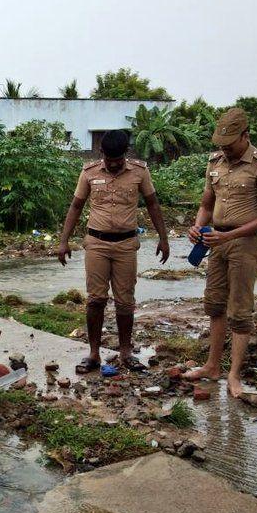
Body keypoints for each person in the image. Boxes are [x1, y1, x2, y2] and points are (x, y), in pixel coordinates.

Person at [184, 107, 257, 397]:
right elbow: (205, 204)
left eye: (230, 144)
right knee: (214, 303)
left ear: (245, 136)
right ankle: (212, 366)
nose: (224, 149)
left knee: (239, 309)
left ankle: (234, 375)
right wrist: (197, 227)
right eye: (221, 145)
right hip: (215, 240)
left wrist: (230, 235)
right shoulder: (215, 163)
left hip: (245, 242)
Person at [57, 129, 170, 373]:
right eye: (110, 160)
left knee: (125, 302)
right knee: (96, 300)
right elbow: (76, 206)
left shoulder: (140, 172)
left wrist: (163, 238)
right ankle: (94, 353)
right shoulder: (89, 173)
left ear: (125, 154)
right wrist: (63, 241)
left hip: (126, 245)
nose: (114, 164)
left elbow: (152, 203)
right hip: (96, 243)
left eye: (118, 160)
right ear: (102, 154)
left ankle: (126, 352)